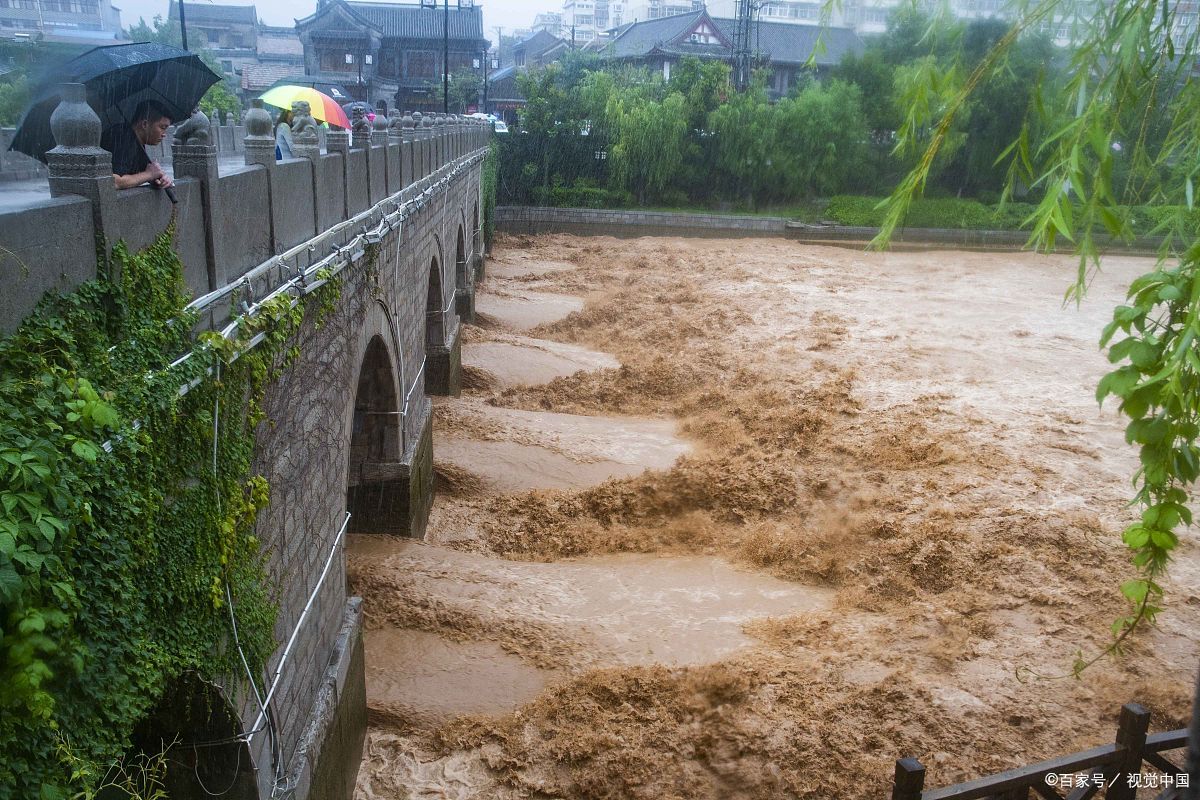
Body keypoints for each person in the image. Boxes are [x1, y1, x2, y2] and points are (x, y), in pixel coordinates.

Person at [102, 100, 174, 190]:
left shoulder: (138, 143)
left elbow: (143, 174)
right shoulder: (122, 138)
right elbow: (113, 181)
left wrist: (160, 178)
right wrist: (150, 174)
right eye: (162, 127)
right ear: (144, 124)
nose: (164, 134)